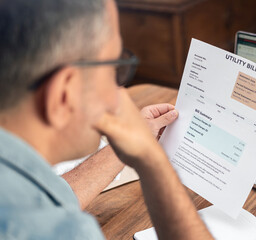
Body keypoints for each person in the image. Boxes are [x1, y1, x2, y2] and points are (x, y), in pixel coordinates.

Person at [0, 0, 214, 239]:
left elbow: (40, 197)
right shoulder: (61, 231)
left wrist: (132, 148)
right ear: (63, 94)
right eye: (113, 67)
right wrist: (156, 163)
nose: (119, 93)